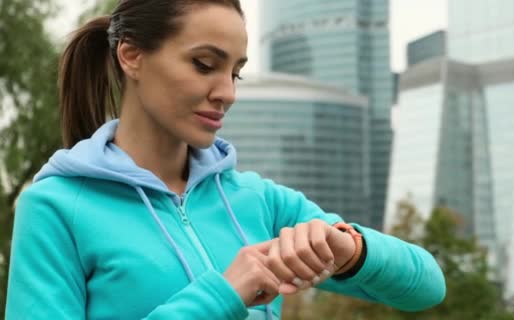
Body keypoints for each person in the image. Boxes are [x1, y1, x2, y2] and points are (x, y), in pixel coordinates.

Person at [5, 0, 446, 319]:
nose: (228, 93)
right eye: (203, 64)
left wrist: (348, 250)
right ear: (131, 56)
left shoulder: (259, 200)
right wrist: (222, 296)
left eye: (234, 72)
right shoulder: (57, 206)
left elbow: (426, 286)